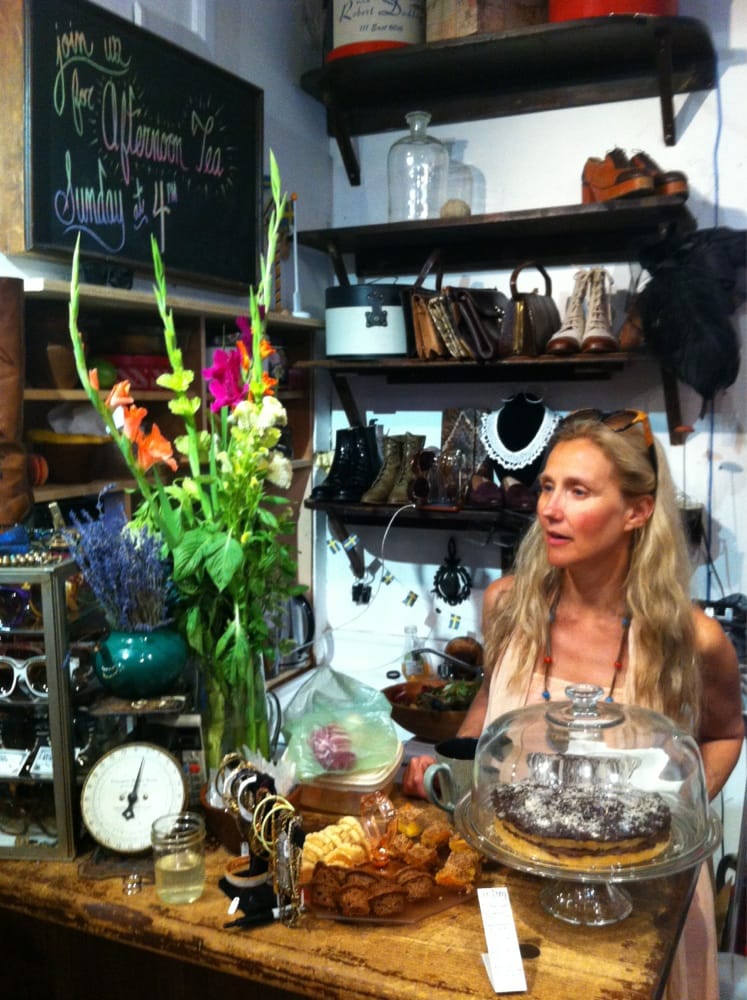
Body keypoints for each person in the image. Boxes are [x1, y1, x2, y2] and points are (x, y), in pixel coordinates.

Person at [403, 409, 744, 1000]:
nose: (550, 509)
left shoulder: (690, 640)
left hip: (640, 906)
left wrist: (664, 827)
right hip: (515, 886)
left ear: (637, 511)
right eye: (547, 486)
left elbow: (724, 734)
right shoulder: (508, 604)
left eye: (578, 491)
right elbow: (491, 697)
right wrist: (452, 770)